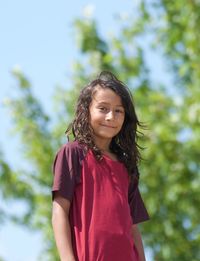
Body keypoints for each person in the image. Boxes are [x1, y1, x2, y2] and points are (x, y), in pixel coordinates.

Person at [52, 71, 149, 261]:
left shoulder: (126, 165)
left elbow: (132, 226)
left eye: (118, 110)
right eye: (103, 108)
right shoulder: (73, 153)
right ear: (86, 110)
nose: (111, 116)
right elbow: (59, 210)